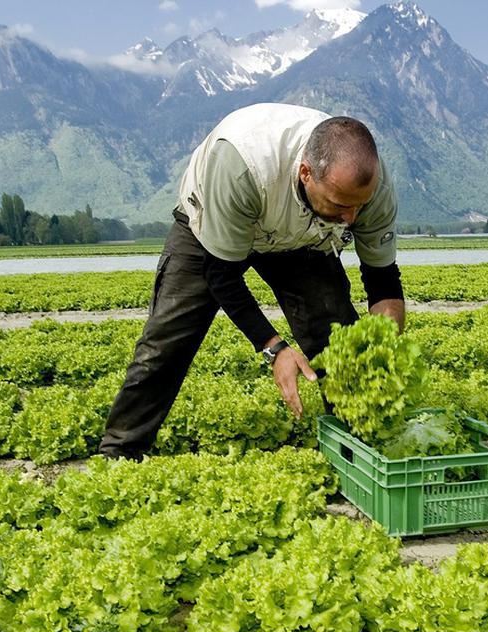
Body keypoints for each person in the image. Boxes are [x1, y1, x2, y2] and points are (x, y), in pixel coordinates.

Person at [98, 102, 405, 460]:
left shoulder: (372, 189)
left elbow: (382, 276)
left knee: (339, 338)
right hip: (214, 227)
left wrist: (383, 346)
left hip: (300, 238)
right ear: (306, 173)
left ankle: (358, 446)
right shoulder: (242, 163)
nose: (350, 218)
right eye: (340, 205)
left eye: (358, 207)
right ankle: (121, 449)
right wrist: (274, 347)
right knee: (168, 339)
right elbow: (220, 274)